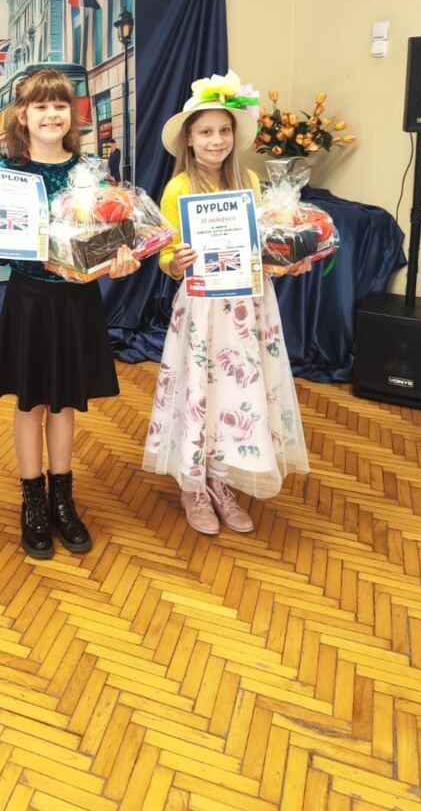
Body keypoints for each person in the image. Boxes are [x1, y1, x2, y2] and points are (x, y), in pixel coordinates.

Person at [0, 69, 140, 560]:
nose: (51, 114)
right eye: (40, 106)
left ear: (72, 114)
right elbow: (3, 258)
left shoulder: (94, 174)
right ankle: (33, 501)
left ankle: (63, 496)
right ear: (22, 115)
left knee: (64, 403)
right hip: (29, 301)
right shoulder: (6, 174)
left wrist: (122, 259)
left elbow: (111, 241)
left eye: (60, 105)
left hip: (77, 301)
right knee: (31, 403)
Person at [142, 73, 310, 535]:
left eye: (223, 130)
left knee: (236, 392)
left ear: (234, 136)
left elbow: (262, 246)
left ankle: (220, 479)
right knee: (201, 388)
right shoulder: (178, 188)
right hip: (201, 308)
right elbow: (165, 257)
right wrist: (176, 261)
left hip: (247, 307)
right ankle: (193, 484)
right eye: (205, 132)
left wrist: (289, 260)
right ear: (189, 140)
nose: (215, 140)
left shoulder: (249, 180)